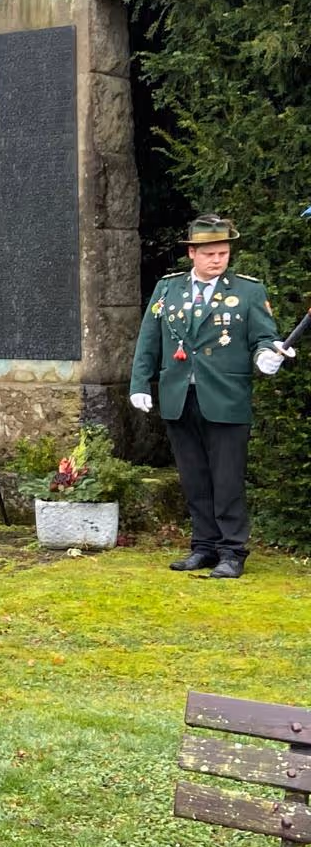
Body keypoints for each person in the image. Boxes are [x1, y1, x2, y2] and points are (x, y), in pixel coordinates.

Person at [129, 215, 286, 579]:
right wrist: (139, 384)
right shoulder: (168, 289)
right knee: (194, 477)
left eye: (223, 253)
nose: (217, 260)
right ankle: (204, 546)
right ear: (192, 253)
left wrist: (266, 355)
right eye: (210, 253)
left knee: (227, 479)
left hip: (226, 397)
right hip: (178, 395)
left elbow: (265, 337)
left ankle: (232, 551)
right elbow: (149, 340)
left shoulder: (248, 291)